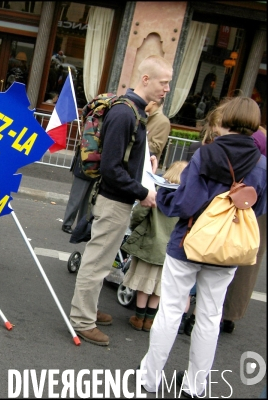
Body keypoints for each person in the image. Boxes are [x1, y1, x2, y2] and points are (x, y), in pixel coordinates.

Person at [139, 96, 267, 398]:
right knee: (210, 315)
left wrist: (163, 197)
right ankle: (195, 386)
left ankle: (150, 377)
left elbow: (186, 201)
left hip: (189, 242)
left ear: (225, 120)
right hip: (229, 248)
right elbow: (258, 207)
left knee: (170, 310)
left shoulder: (206, 154)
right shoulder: (262, 165)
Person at [68, 55, 173, 346]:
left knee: (100, 261)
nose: (166, 89)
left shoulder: (132, 110)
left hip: (116, 200)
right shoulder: (126, 114)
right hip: (114, 201)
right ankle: (82, 320)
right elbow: (111, 168)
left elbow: (122, 161)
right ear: (146, 80)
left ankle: (87, 310)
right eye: (163, 83)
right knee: (96, 262)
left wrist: (145, 165)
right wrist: (143, 192)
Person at [121, 161, 188, 332]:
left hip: (149, 246)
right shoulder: (186, 201)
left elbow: (138, 214)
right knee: (158, 287)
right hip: (171, 250)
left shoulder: (158, 195)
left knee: (144, 284)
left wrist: (136, 227)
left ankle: (138, 318)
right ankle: (150, 320)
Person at [221, 125, 267, 333]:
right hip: (260, 207)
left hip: (246, 202)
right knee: (250, 259)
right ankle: (231, 313)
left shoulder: (255, 137)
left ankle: (221, 311)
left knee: (229, 255)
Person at [61, 150, 95, 235]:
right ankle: (67, 223)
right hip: (85, 165)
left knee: (88, 201)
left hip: (95, 167)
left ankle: (82, 225)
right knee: (76, 199)